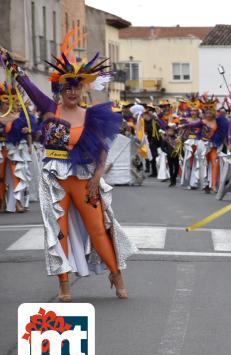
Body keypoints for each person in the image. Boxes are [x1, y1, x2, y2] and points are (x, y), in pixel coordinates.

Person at [1, 41, 136, 302]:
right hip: (54, 178)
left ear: (83, 88)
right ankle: (64, 284)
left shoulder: (92, 115)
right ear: (60, 90)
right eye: (67, 87)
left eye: (76, 87)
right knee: (58, 230)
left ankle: (116, 274)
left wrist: (97, 178)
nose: (72, 92)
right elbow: (26, 85)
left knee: (97, 229)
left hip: (85, 178)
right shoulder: (50, 110)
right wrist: (9, 64)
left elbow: (102, 150)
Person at [184, 95, 228, 193]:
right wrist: (184, 124)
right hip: (203, 146)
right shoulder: (202, 121)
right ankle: (205, 184)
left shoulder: (218, 122)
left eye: (210, 111)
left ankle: (213, 185)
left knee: (215, 164)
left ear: (213, 112)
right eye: (206, 111)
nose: (208, 113)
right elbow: (192, 125)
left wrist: (226, 143)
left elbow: (223, 133)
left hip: (213, 146)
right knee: (203, 165)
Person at [0, 86, 32, 213]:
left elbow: (28, 130)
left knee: (16, 175)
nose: (8, 105)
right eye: (6, 103)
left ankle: (18, 202)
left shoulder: (19, 116)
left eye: (10, 103)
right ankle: (1, 202)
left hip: (15, 149)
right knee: (0, 177)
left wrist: (28, 140)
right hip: (1, 150)